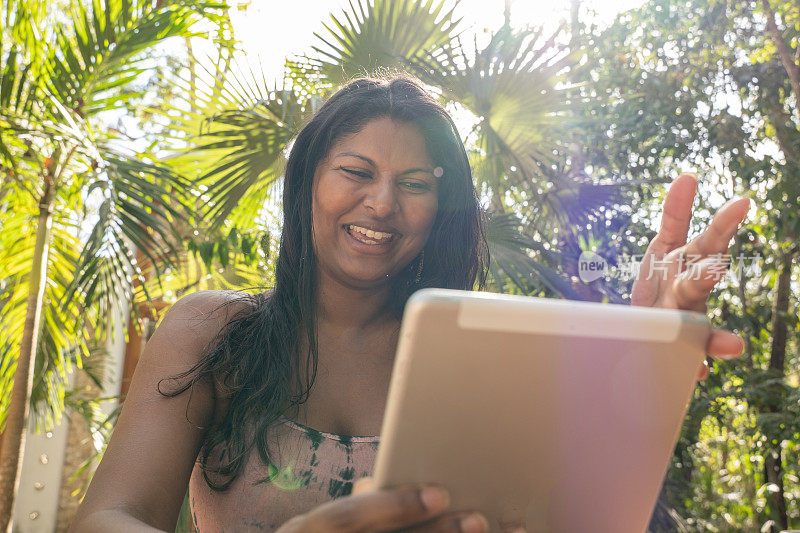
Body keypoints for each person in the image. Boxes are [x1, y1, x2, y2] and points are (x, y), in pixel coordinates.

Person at [69, 75, 751, 533]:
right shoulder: (214, 332)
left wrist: (641, 367)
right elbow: (110, 517)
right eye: (356, 172)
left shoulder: (490, 353)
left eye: (416, 183)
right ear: (308, 181)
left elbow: (591, 517)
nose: (384, 203)